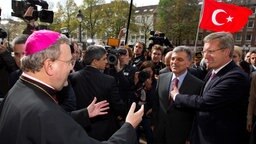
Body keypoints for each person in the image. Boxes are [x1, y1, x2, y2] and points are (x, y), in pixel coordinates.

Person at [0, 30, 144, 144]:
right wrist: (129, 127)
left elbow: (51, 126)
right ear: (49, 66)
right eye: (69, 62)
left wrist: (85, 113)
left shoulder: (18, 89)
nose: (71, 69)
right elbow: (50, 121)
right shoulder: (43, 111)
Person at [170, 32, 250, 144]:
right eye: (204, 51)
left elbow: (204, 102)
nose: (205, 56)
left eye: (211, 51)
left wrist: (177, 96)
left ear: (226, 51)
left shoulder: (236, 77)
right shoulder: (212, 71)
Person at [69, 45, 127, 140]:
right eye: (104, 59)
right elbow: (117, 105)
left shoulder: (73, 77)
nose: (107, 61)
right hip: (104, 131)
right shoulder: (109, 80)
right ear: (95, 61)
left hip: (80, 127)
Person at [153, 46, 203, 144]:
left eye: (179, 59)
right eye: (172, 58)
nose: (174, 62)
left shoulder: (198, 85)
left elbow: (196, 114)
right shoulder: (162, 78)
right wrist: (154, 124)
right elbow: (156, 103)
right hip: (159, 132)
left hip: (181, 135)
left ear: (189, 63)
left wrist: (190, 137)